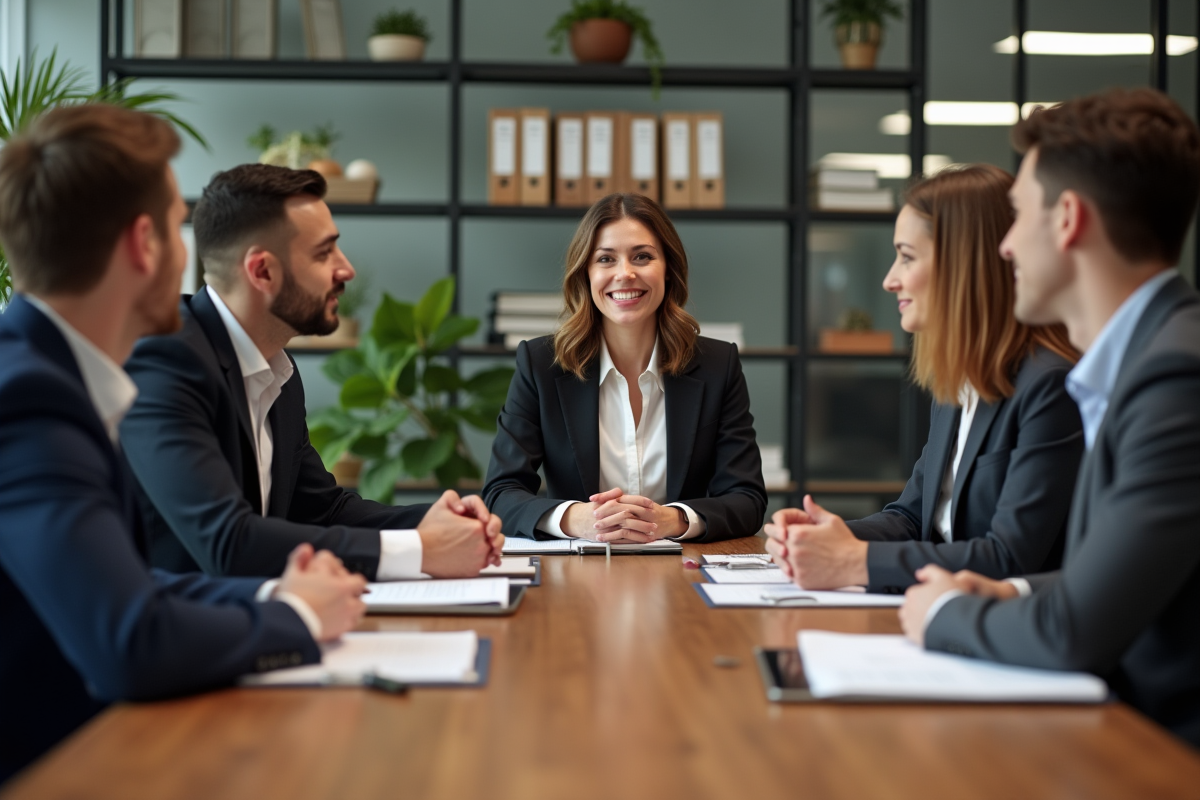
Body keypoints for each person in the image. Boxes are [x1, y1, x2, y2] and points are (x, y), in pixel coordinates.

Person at [0, 104, 369, 783]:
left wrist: (273, 598)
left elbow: (133, 586)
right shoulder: (30, 400)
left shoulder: (46, 373)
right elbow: (128, 641)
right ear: (144, 245)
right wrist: (292, 617)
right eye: (177, 226)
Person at [898, 88, 1200, 747]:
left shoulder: (1175, 378)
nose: (1003, 248)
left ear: (1068, 220)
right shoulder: (1145, 360)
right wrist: (1016, 595)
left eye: (1016, 216)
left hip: (1157, 753)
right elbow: (1123, 576)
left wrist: (946, 612)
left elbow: (1076, 634)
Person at [120, 164, 503, 581]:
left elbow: (323, 511)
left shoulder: (277, 372)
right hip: (175, 637)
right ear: (262, 271)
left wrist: (436, 521)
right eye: (324, 253)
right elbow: (227, 543)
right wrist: (422, 550)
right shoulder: (164, 357)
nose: (346, 270)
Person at [765, 165, 1084, 591]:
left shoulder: (1048, 384)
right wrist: (827, 535)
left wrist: (854, 560)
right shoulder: (957, 381)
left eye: (907, 257)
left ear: (964, 266)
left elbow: (1009, 556)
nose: (889, 280)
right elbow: (914, 517)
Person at [483, 193, 767, 542]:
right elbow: (501, 493)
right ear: (586, 274)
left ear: (668, 269)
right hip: (578, 573)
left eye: (643, 256)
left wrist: (672, 520)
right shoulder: (541, 364)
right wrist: (576, 518)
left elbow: (747, 499)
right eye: (606, 259)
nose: (626, 273)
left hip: (681, 573)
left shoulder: (717, 366)